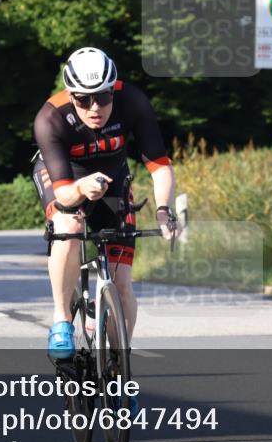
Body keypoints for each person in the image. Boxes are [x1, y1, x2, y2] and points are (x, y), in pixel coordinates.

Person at [32, 47, 177, 362]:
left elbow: (160, 166)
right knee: (69, 226)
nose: (94, 107)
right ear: (70, 94)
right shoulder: (50, 118)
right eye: (83, 99)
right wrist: (82, 187)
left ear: (114, 90)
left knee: (122, 285)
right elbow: (64, 196)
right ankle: (60, 320)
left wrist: (164, 210)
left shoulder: (133, 102)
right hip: (66, 180)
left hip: (112, 181)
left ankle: (119, 371)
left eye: (103, 97)